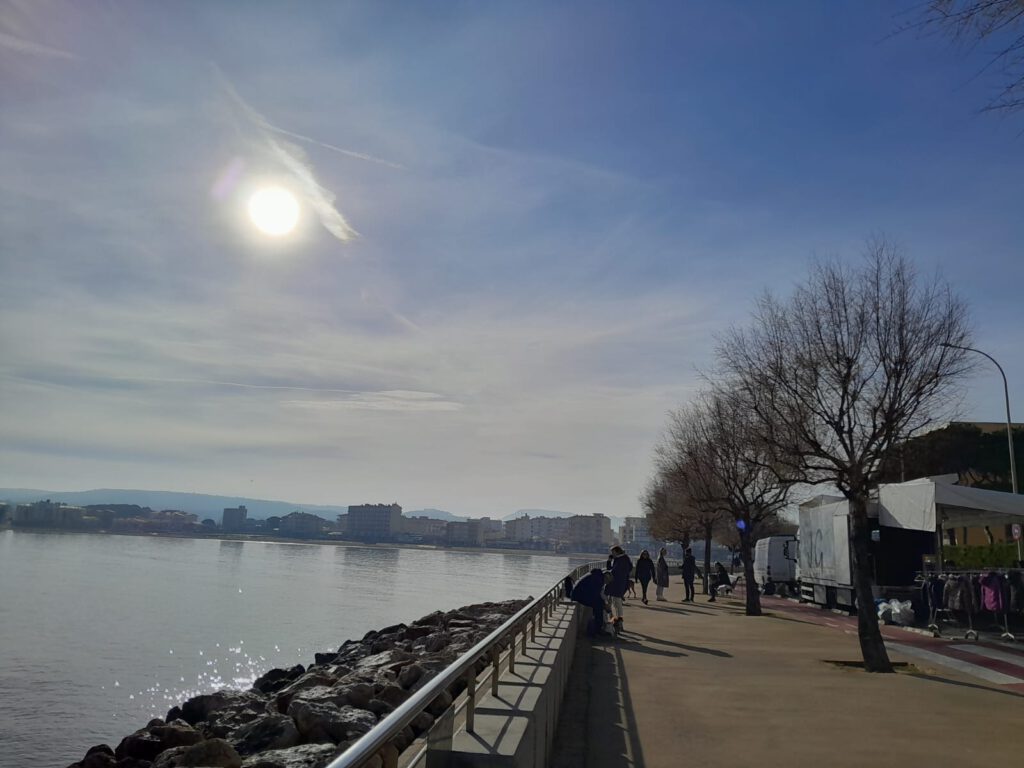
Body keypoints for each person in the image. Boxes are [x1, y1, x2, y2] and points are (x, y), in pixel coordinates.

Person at [571, 568, 610, 637]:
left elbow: (595, 594)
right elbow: (595, 595)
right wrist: (604, 605)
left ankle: (597, 628)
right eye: (607, 582)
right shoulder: (598, 580)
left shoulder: (597, 577)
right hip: (578, 596)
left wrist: (604, 604)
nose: (606, 583)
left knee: (599, 605)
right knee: (599, 606)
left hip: (580, 594)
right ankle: (597, 630)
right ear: (606, 578)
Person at [606, 545, 633, 631]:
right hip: (619, 583)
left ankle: (619, 622)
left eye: (613, 552)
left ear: (617, 552)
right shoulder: (622, 559)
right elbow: (611, 569)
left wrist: (610, 563)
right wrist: (609, 561)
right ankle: (617, 621)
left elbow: (613, 571)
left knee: (617, 602)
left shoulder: (622, 560)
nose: (612, 554)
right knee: (615, 602)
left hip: (618, 584)